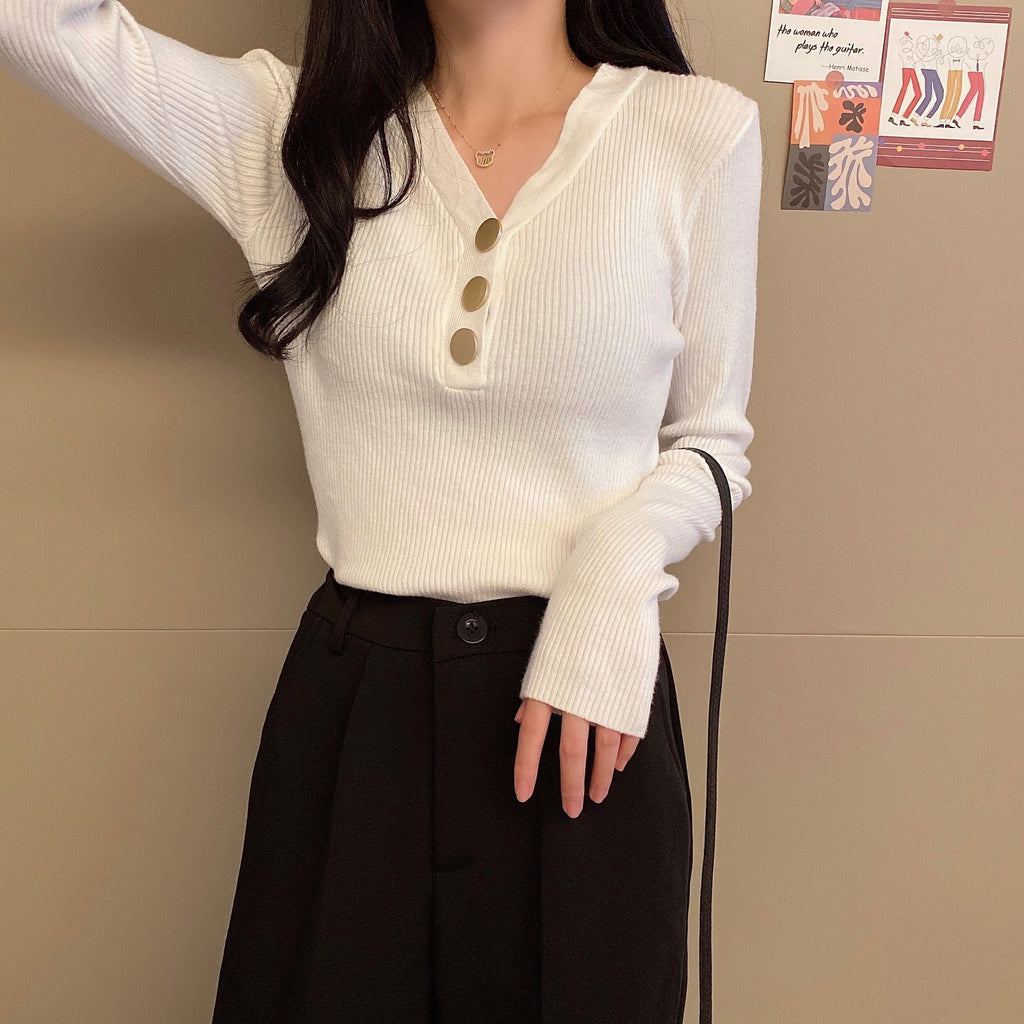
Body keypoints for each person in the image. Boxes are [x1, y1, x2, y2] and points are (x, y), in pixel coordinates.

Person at [0, 1, 762, 1021]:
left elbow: (712, 439)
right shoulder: (292, 132)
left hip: (587, 703)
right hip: (359, 717)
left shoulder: (695, 130)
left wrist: (616, 569)